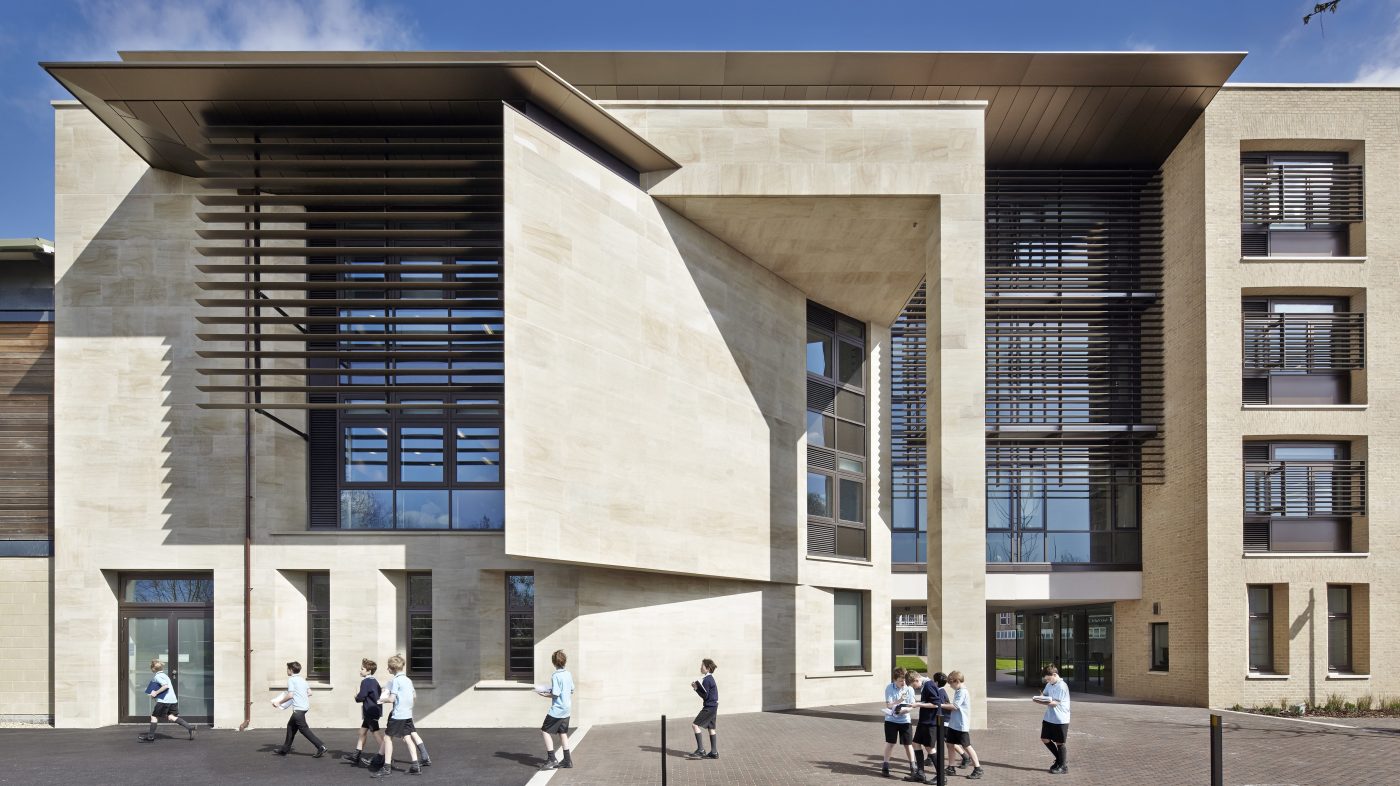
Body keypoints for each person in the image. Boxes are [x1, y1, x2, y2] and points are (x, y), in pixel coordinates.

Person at [373, 654, 419, 778]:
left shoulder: (396, 681)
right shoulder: (408, 680)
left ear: (393, 668)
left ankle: (386, 768)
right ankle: (415, 766)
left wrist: (381, 700)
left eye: (388, 667)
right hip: (407, 714)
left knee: (387, 738)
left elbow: (392, 699)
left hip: (398, 715)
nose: (387, 669)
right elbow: (414, 697)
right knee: (408, 738)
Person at [270, 661, 326, 758]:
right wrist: (300, 696)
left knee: (304, 729)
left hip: (298, 709)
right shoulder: (302, 680)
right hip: (304, 707)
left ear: (291, 670)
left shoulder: (291, 680)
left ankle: (320, 746)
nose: (287, 671)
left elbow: (290, 695)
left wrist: (279, 702)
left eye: (287, 669)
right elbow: (310, 692)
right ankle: (284, 749)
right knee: (290, 726)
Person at [137, 659, 195, 742]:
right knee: (171, 717)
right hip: (172, 700)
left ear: (153, 668)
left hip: (164, 701)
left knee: (154, 717)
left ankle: (150, 737)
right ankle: (190, 728)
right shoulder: (165, 675)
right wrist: (155, 694)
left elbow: (165, 686)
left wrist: (155, 693)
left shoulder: (157, 676)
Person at [908, 671, 949, 782]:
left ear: (916, 679)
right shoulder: (926, 685)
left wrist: (918, 704)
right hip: (924, 721)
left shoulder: (929, 685)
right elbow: (929, 701)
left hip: (930, 722)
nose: (914, 688)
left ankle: (941, 776)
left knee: (929, 748)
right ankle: (920, 773)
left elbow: (936, 704)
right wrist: (918, 702)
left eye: (913, 685)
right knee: (916, 743)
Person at [538, 649, 575, 770]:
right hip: (567, 709)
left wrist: (544, 694)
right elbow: (571, 690)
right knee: (562, 733)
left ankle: (552, 759)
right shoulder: (568, 674)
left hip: (557, 709)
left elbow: (556, 694)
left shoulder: (555, 675)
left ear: (554, 662)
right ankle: (567, 760)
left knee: (545, 730)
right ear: (564, 661)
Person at [944, 671, 983, 780]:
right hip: (953, 724)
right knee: (950, 744)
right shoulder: (958, 691)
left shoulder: (962, 692)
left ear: (957, 681)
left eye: (951, 683)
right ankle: (951, 767)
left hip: (961, 725)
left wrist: (941, 705)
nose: (950, 686)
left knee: (966, 746)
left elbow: (955, 706)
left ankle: (978, 768)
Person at [881, 667, 918, 779]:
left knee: (908, 744)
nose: (903, 683)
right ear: (895, 680)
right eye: (901, 681)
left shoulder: (909, 689)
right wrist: (900, 700)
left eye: (905, 680)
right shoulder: (889, 688)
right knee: (890, 743)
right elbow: (889, 705)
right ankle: (885, 765)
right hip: (891, 720)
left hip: (905, 720)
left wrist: (904, 711)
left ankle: (913, 766)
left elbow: (912, 705)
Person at [1036, 664, 1071, 774]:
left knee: (1059, 742)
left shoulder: (1062, 686)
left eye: (1048, 679)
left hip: (1060, 719)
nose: (1047, 681)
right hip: (1049, 717)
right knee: (1044, 738)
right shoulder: (1049, 684)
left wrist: (1041, 701)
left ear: (1054, 675)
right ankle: (1060, 760)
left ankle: (1063, 767)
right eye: (1046, 680)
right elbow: (1045, 695)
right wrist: (1041, 697)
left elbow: (1055, 703)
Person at [349, 659, 383, 768]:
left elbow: (361, 697)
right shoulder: (374, 681)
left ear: (369, 671)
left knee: (376, 733)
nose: (360, 670)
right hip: (374, 710)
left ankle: (386, 756)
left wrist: (356, 696)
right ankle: (356, 756)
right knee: (362, 732)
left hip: (370, 711)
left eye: (362, 669)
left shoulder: (366, 681)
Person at [686, 658, 719, 760]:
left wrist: (696, 688)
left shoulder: (707, 680)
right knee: (711, 728)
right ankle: (714, 752)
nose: (700, 668)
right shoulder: (710, 678)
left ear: (707, 668)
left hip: (709, 707)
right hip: (713, 706)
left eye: (702, 666)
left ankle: (701, 750)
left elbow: (705, 696)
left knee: (695, 725)